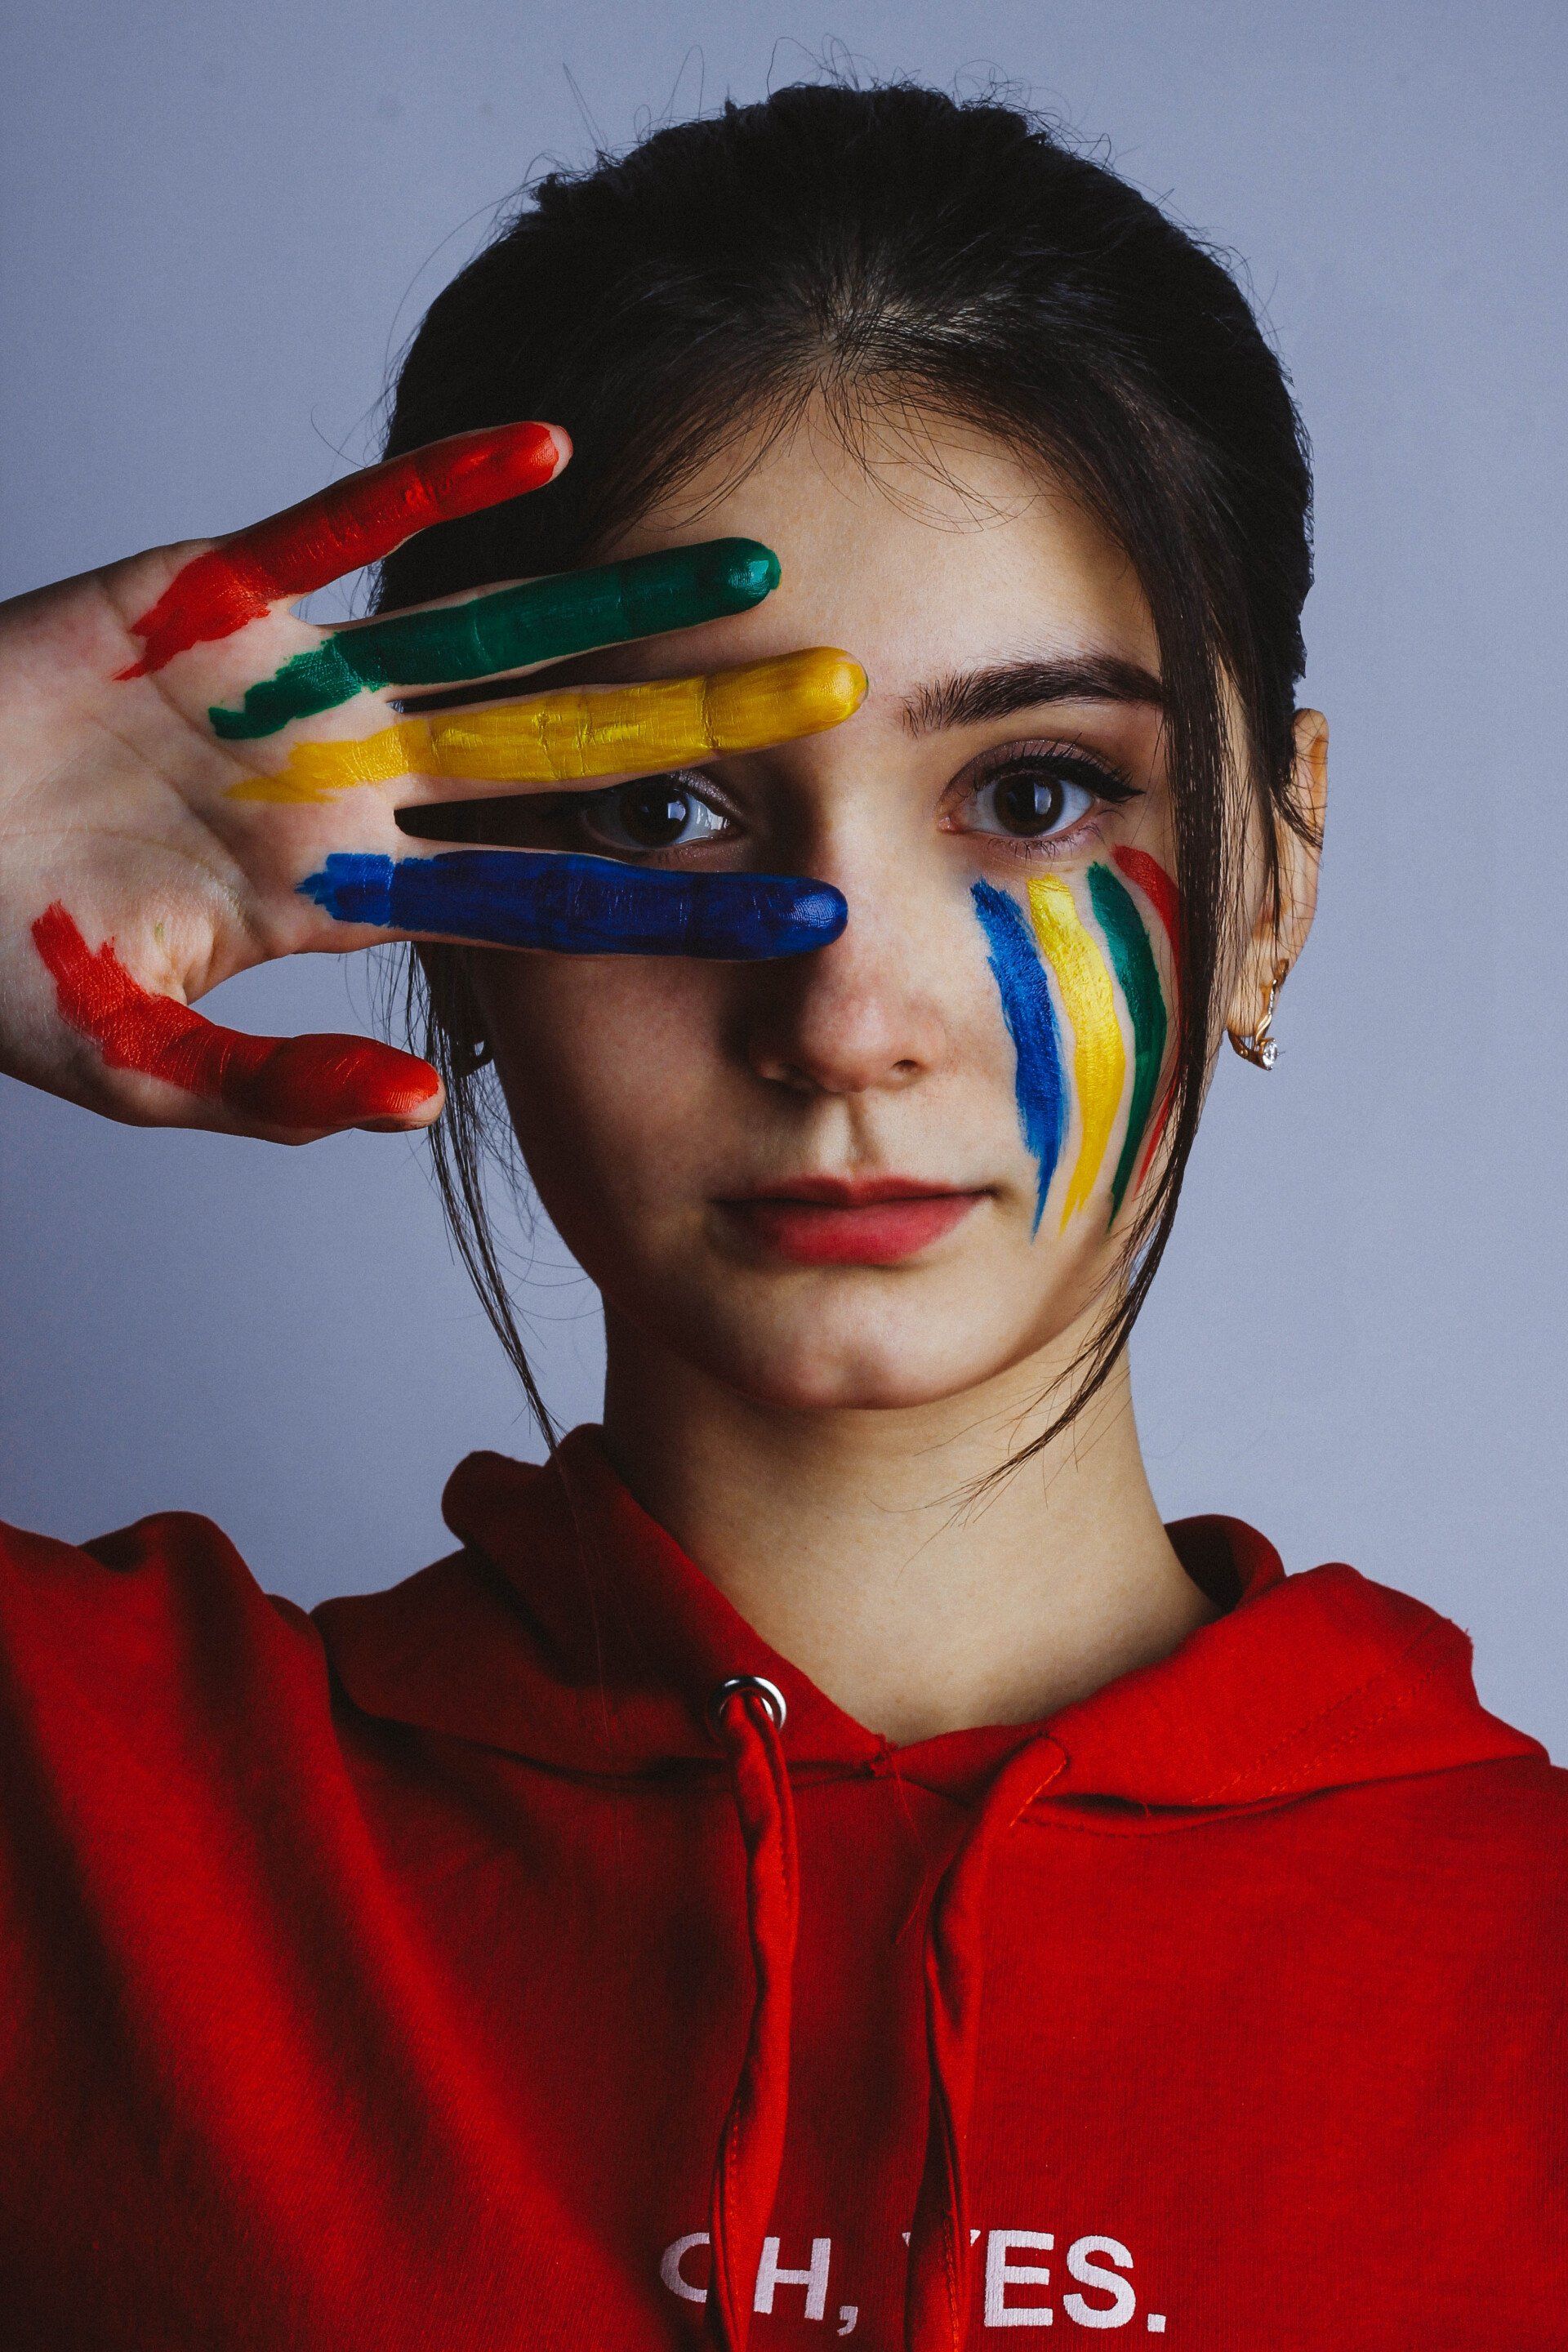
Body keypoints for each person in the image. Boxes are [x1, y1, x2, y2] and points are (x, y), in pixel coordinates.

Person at [0, 79, 1560, 2352]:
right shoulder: (83, 1840)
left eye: (1034, 795)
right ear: (431, 887)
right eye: (658, 804)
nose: (848, 1015)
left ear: (1271, 878)